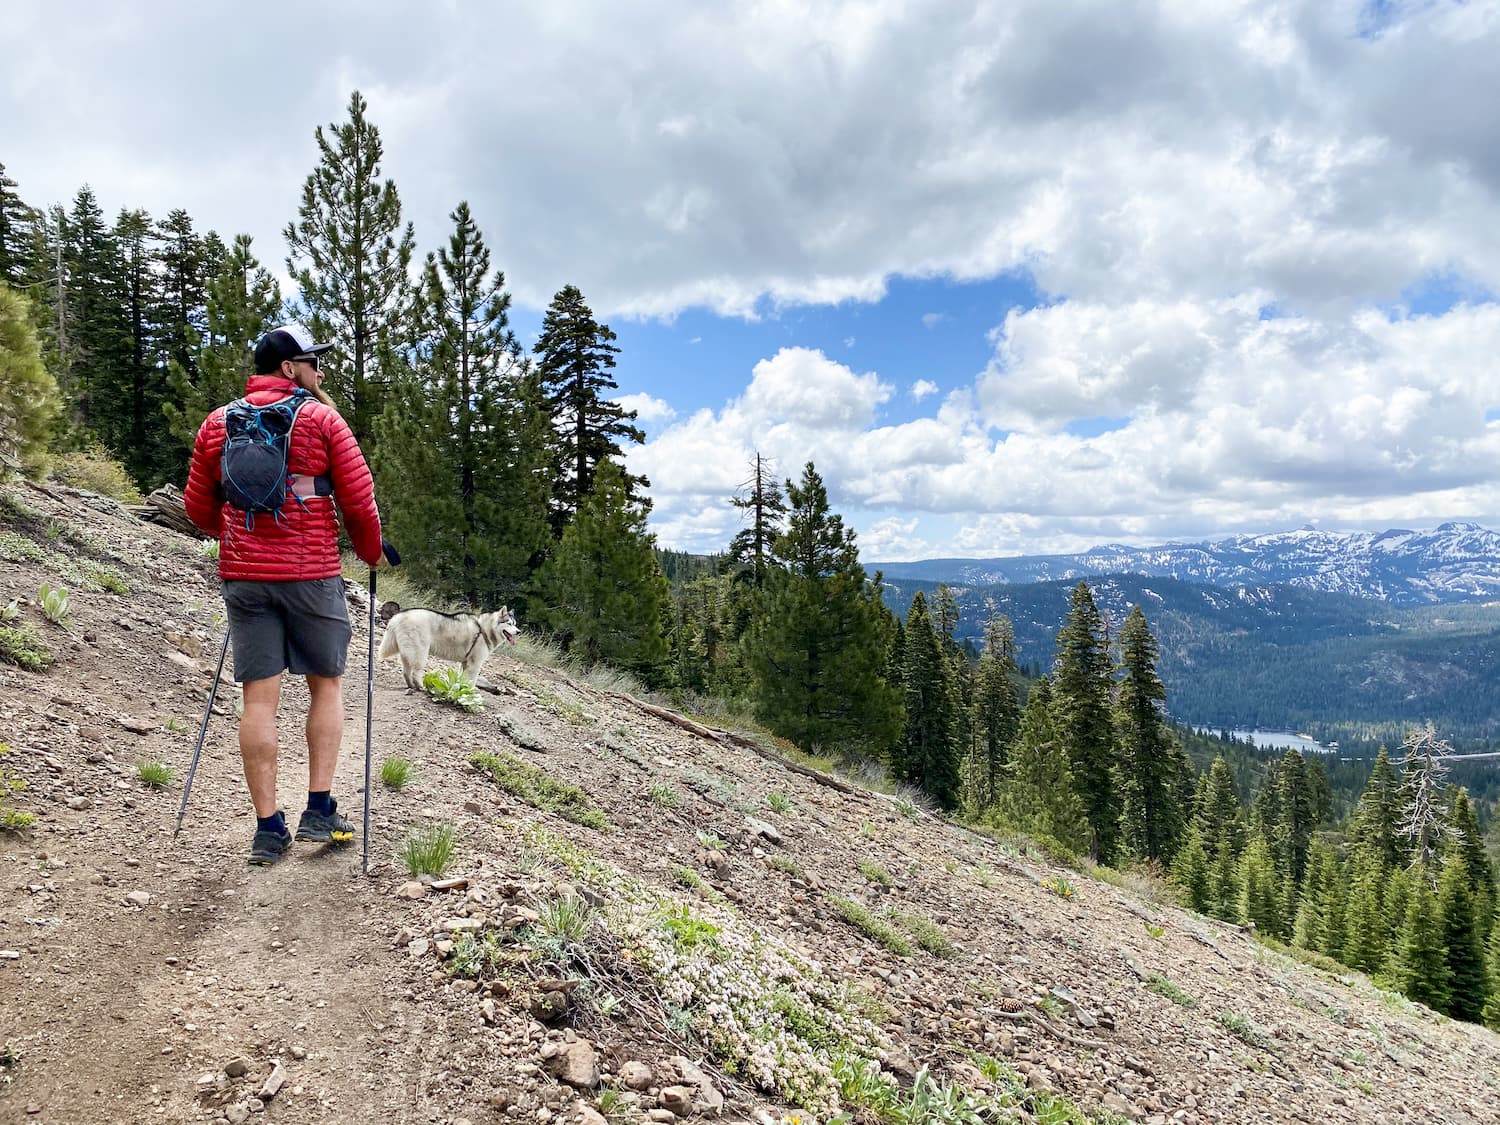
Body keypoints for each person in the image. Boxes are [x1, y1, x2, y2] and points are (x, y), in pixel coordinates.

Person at [185, 323, 384, 866]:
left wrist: (239, 538)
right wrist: (370, 552)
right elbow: (360, 502)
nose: (320, 371)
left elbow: (200, 510)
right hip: (311, 575)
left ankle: (268, 830)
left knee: (258, 700)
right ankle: (319, 809)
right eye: (312, 362)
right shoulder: (322, 419)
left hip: (245, 578)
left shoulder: (217, 423)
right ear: (289, 368)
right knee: (326, 685)